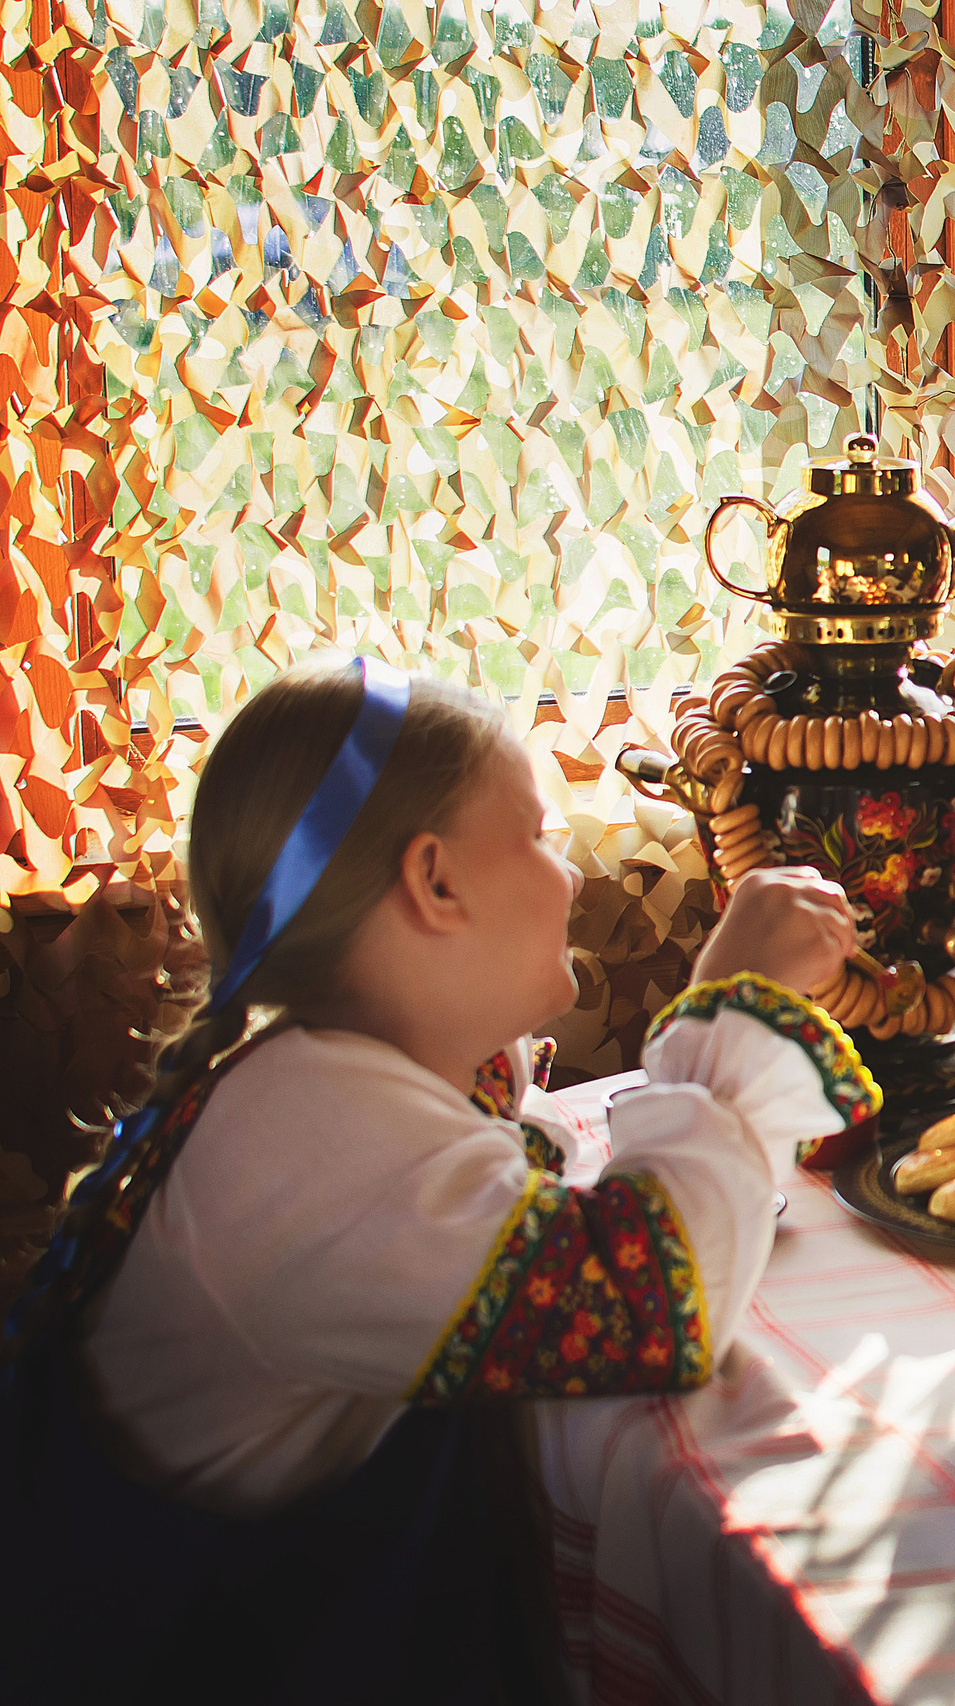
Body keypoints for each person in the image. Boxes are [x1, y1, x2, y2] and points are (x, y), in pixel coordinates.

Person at [0, 658, 877, 1703]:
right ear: (436, 880)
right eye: (543, 837)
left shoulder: (315, 1083)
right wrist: (735, 1004)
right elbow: (650, 1302)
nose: (568, 877)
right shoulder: (310, 1140)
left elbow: (508, 1181)